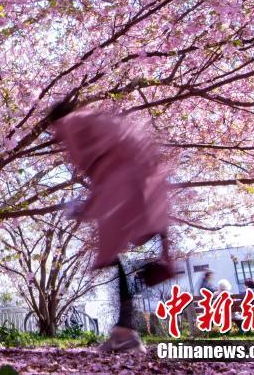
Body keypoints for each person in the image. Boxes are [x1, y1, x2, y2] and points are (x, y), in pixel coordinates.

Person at [48, 97, 173, 354]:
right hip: (144, 180)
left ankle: (125, 330)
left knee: (111, 252)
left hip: (121, 184)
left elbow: (99, 168)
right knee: (126, 244)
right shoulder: (99, 120)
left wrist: (86, 207)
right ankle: (125, 327)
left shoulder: (71, 123)